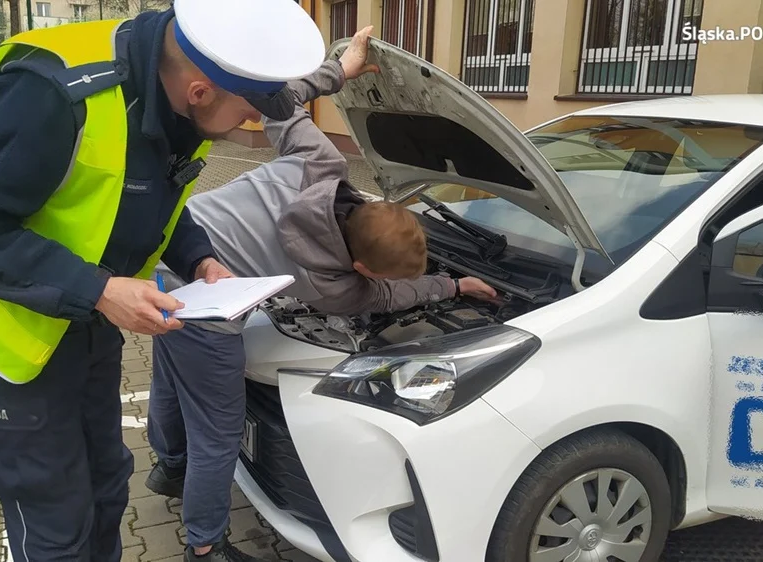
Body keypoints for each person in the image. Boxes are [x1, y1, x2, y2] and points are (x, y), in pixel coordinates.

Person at [0, 1, 326, 560]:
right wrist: (100, 290)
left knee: (107, 483)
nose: (247, 125)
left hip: (85, 315)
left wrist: (198, 257)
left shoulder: (171, 91)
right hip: (7, 327)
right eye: (246, 113)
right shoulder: (51, 96)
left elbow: (150, 192)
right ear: (200, 92)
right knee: (54, 516)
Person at [142, 27, 497, 560]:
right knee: (218, 433)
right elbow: (385, 300)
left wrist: (341, 71)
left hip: (165, 251)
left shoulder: (323, 163)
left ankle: (170, 467)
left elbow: (279, 100)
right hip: (208, 297)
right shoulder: (332, 283)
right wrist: (452, 286)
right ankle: (205, 547)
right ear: (362, 267)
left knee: (172, 375)